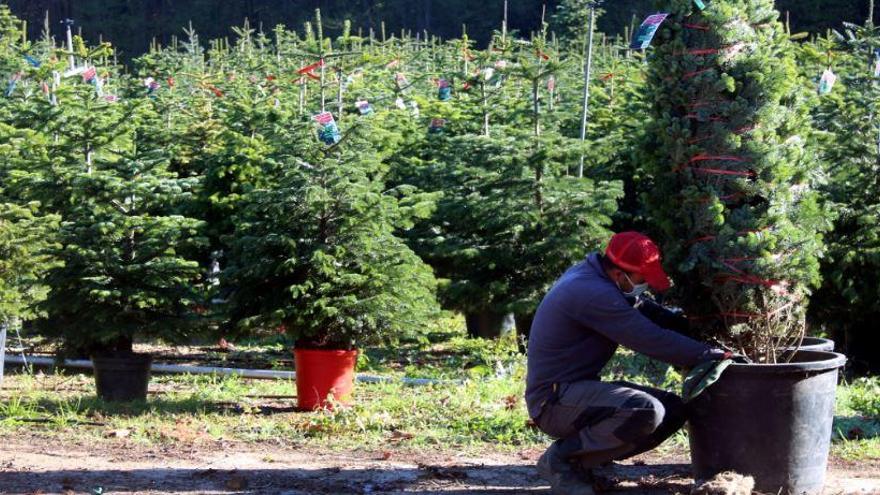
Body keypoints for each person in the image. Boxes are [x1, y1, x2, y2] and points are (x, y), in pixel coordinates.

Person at [525, 231, 730, 495]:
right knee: (645, 411)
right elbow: (649, 339)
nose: (645, 284)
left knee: (674, 410)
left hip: (576, 391)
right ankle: (562, 461)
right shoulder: (591, 292)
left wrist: (692, 329)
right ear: (620, 274)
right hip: (554, 401)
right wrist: (709, 353)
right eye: (642, 279)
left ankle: (589, 462)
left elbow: (643, 308)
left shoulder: (597, 276)